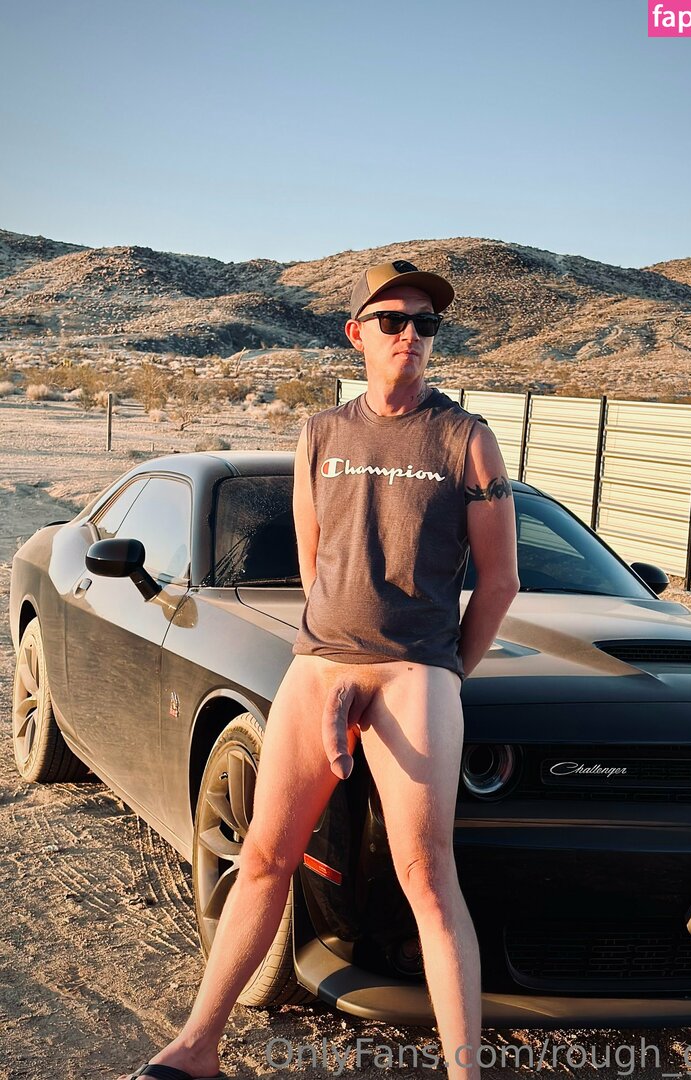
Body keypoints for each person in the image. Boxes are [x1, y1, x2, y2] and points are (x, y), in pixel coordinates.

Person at [117, 259, 519, 1080]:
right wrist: (333, 650)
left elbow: (500, 581)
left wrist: (444, 673)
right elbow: (315, 561)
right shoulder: (320, 435)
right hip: (318, 666)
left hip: (414, 673)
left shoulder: (466, 439)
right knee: (266, 856)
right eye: (392, 321)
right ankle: (197, 1048)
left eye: (426, 324)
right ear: (356, 334)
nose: (411, 335)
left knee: (428, 879)